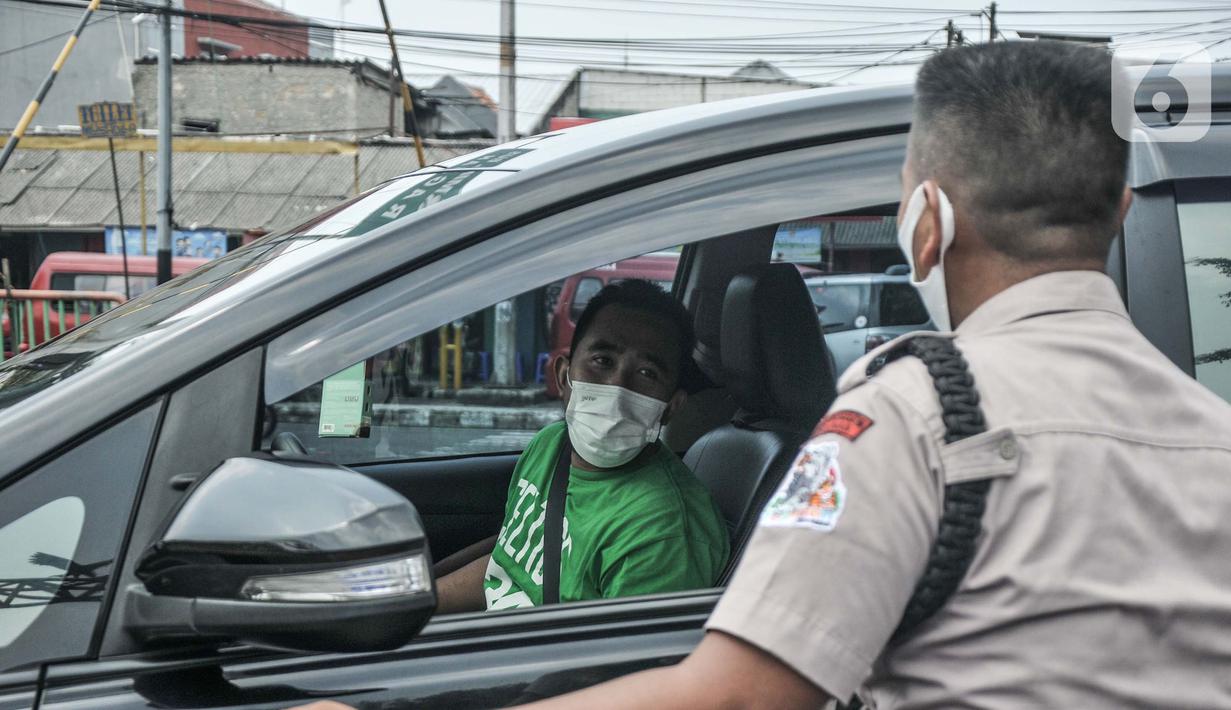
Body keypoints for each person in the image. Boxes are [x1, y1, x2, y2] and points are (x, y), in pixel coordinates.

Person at [295, 41, 1231, 710]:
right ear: (1117, 208)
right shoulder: (1213, 435)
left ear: (924, 223)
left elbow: (740, 695)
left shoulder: (916, 414)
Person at [433, 278, 729, 614]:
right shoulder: (551, 446)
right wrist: (406, 601)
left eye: (647, 372)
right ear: (563, 376)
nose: (617, 386)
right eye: (602, 361)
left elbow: (618, 661)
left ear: (671, 406)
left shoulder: (663, 532)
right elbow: (508, 565)